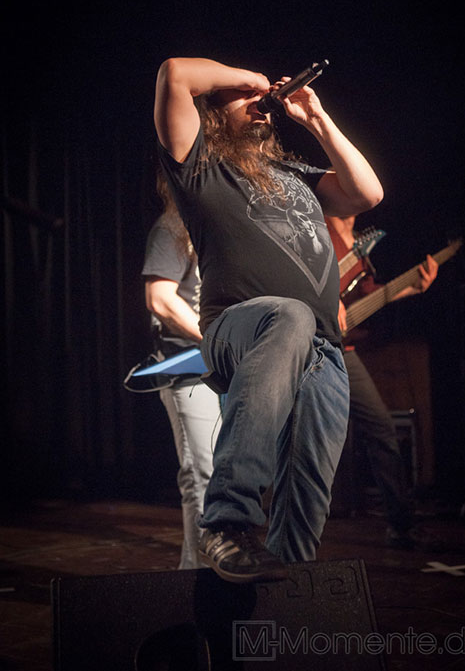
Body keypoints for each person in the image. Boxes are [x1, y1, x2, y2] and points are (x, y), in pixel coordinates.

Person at [153, 56, 384, 582]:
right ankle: (227, 521)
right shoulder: (200, 165)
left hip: (321, 348)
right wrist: (255, 81)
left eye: (262, 101)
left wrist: (317, 118)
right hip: (240, 329)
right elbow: (176, 73)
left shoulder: (293, 175)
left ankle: (280, 596)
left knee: (307, 499)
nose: (261, 105)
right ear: (212, 111)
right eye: (243, 100)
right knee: (289, 315)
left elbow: (368, 193)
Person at [324, 215, 439, 548]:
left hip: (342, 351)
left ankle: (401, 526)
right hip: (309, 347)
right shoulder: (319, 226)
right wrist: (325, 297)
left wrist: (412, 288)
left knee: (381, 428)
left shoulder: (360, 243)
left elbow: (367, 296)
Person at [141, 191, 221, 570]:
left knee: (224, 475)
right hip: (188, 367)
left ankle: (205, 574)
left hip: (225, 367)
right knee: (202, 475)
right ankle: (198, 578)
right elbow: (160, 299)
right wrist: (217, 340)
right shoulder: (171, 228)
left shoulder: (222, 227)